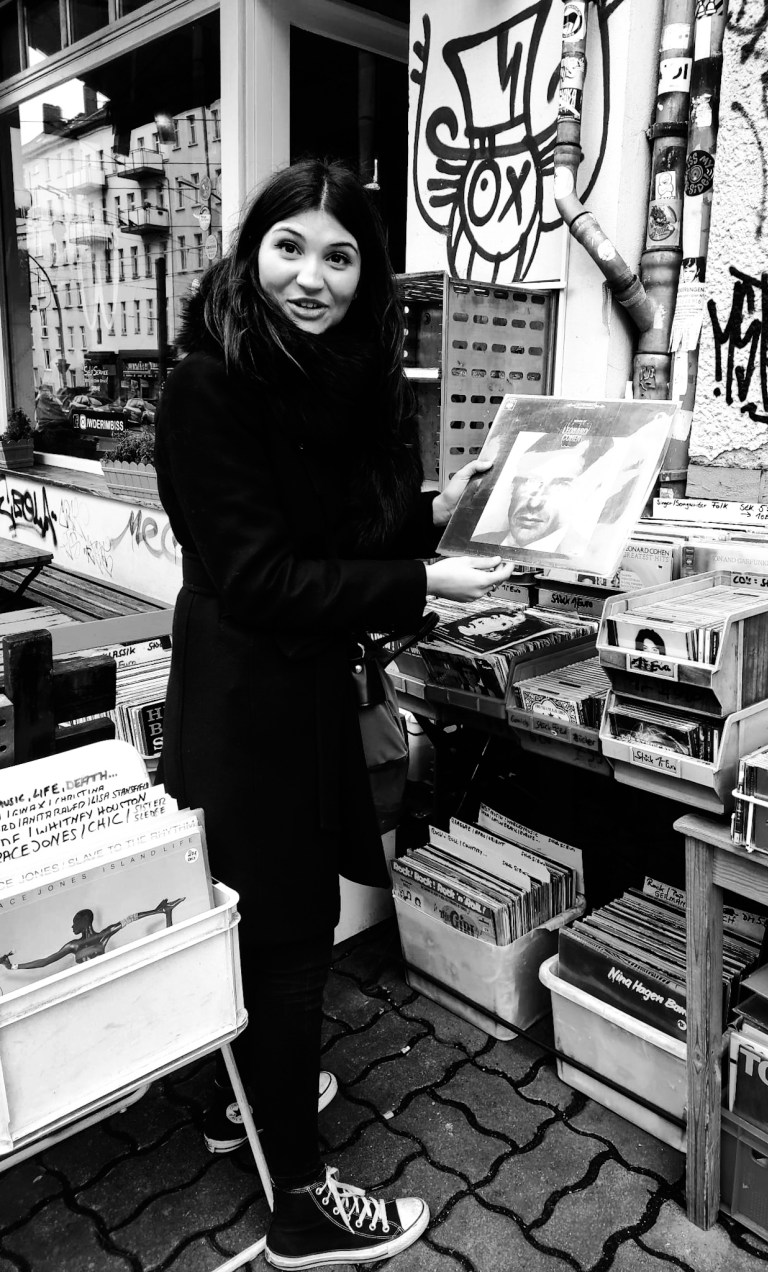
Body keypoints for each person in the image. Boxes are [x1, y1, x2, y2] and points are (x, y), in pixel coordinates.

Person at [154, 157, 512, 1270]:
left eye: (341, 255)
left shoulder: (331, 375)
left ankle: (247, 1109)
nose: (312, 277)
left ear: (369, 273)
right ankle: (302, 1206)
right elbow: (262, 576)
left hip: (303, 691)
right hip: (247, 700)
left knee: (279, 920)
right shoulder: (210, 384)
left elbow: (334, 535)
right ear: (251, 250)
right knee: (287, 931)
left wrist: (433, 513)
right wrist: (422, 582)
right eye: (289, 247)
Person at [472, 433, 614, 552]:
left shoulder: (590, 557)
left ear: (589, 493)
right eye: (529, 481)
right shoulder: (477, 543)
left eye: (560, 485)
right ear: (513, 486)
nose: (534, 503)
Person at [0, 898, 183, 970]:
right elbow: (45, 961)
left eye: (75, 922)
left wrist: (158, 911)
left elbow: (130, 918)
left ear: (84, 921)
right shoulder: (73, 945)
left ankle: (167, 914)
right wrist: (13, 966)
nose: (72, 926)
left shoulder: (103, 935)